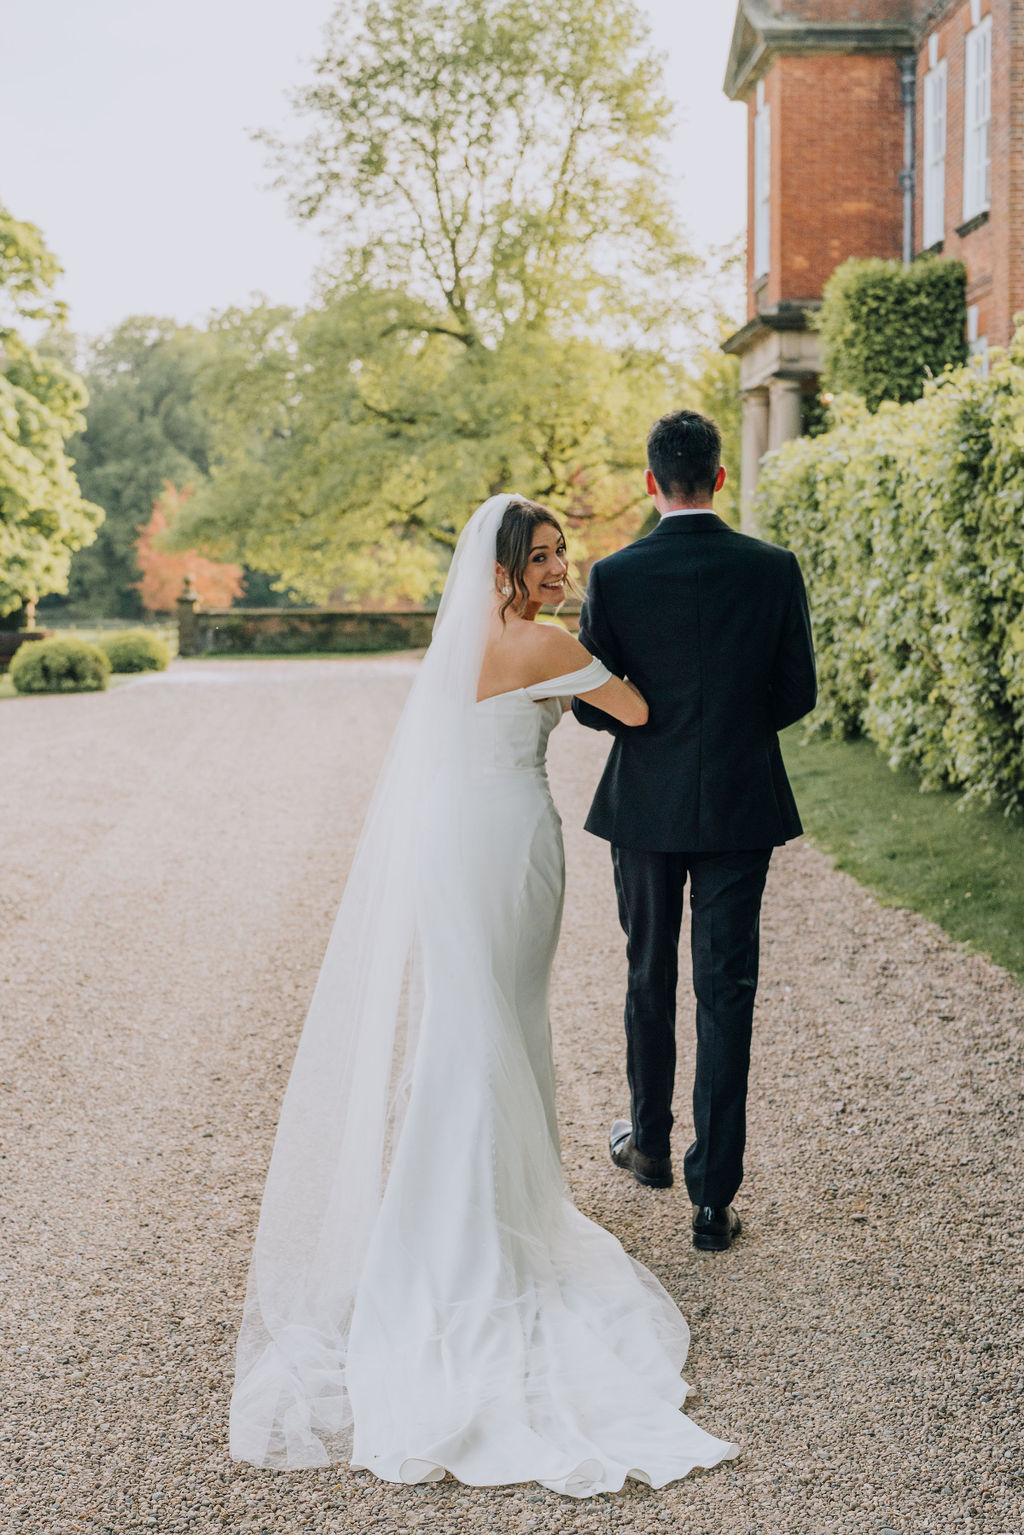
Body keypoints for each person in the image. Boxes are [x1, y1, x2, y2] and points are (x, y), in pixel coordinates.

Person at [229, 493, 741, 1496]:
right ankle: (492, 1229)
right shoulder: (544, 644)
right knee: (503, 1025)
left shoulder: (458, 644)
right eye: (543, 556)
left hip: (448, 843)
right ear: (504, 565)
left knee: (473, 1028)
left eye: (560, 553)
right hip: (510, 843)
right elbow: (635, 708)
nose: (559, 568)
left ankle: (445, 1220)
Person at [573, 410, 817, 1253]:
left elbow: (589, 704)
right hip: (742, 804)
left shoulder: (614, 574)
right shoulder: (774, 569)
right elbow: (797, 693)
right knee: (727, 989)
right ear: (719, 477)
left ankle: (647, 1144)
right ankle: (712, 1197)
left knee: (648, 970)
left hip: (643, 805)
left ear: (651, 481)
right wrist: (733, 731)